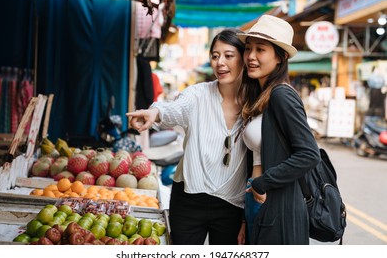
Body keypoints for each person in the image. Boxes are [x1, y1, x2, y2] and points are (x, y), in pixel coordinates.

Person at [126, 29, 248, 245]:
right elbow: (175, 108)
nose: (220, 62)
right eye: (215, 55)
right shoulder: (198, 94)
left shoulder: (254, 103)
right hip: (189, 200)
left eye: (229, 55)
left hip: (233, 205)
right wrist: (154, 113)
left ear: (243, 58)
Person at [236, 15, 321, 245]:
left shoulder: (281, 95)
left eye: (260, 50)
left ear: (280, 57)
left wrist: (262, 183)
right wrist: (245, 217)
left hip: (277, 205)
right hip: (258, 202)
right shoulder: (260, 98)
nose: (251, 57)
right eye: (248, 48)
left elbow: (309, 154)